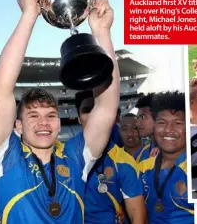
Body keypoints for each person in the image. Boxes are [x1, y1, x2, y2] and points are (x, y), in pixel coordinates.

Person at [0, 0, 120, 224]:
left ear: (59, 124)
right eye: (33, 116)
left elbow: (107, 107)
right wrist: (28, 17)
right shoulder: (4, 156)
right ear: (18, 125)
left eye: (50, 115)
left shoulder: (76, 157)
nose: (43, 122)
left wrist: (102, 32)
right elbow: (1, 89)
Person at [75, 90, 147, 224]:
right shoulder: (61, 155)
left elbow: (137, 217)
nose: (93, 115)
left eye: (98, 109)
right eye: (87, 110)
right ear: (78, 118)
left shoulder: (124, 162)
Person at [139, 92, 194, 224]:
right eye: (162, 122)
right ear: (154, 126)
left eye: (178, 123)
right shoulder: (142, 167)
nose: (169, 130)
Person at [135, 93, 159, 163]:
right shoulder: (141, 153)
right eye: (137, 118)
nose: (137, 123)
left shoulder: (174, 154)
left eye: (143, 117)